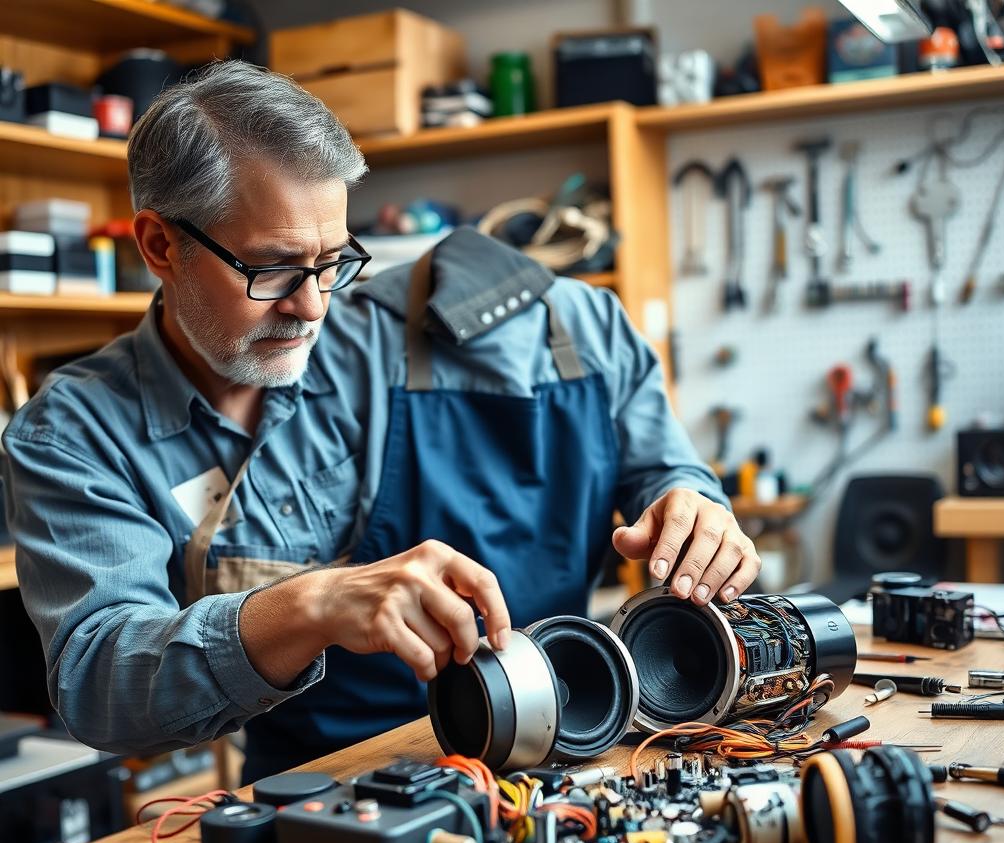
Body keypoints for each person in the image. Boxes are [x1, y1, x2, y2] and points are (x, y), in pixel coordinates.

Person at [1, 62, 760, 784]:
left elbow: (654, 453)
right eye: (272, 269)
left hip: (564, 753)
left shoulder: (380, 337)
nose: (312, 306)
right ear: (161, 246)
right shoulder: (72, 434)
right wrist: (315, 605)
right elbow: (100, 682)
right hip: (327, 794)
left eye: (332, 261)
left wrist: (691, 500)